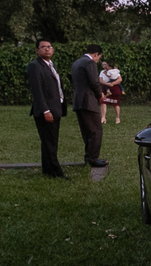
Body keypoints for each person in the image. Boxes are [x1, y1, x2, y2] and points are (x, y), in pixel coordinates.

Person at [26, 38, 68, 179]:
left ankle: (48, 170)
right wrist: (45, 110)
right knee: (50, 142)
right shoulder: (34, 66)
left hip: (56, 108)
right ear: (37, 50)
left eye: (49, 46)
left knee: (50, 141)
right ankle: (57, 172)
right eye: (43, 47)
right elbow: (37, 90)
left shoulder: (50, 65)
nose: (47, 49)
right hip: (46, 110)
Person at [71, 44, 107, 167]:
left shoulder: (77, 63)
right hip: (88, 100)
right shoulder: (90, 63)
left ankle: (88, 156)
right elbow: (94, 82)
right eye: (98, 58)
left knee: (87, 131)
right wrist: (100, 94)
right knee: (96, 130)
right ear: (96, 54)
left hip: (78, 100)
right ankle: (93, 158)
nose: (97, 60)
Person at [99, 60, 123, 125]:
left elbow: (120, 79)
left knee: (116, 104)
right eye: (102, 65)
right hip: (105, 88)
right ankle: (103, 118)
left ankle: (117, 118)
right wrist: (107, 84)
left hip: (114, 88)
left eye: (105, 65)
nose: (104, 66)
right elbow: (100, 80)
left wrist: (112, 83)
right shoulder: (102, 72)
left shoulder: (114, 71)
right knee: (103, 102)